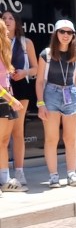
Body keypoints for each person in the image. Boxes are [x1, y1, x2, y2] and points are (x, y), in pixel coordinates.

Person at [36, 19, 76, 187]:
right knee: (51, 138)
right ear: (56, 34)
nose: (65, 35)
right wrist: (41, 104)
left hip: (71, 94)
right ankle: (53, 175)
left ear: (73, 36)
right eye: (62, 31)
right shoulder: (46, 54)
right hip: (51, 94)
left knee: (70, 138)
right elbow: (39, 81)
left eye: (69, 32)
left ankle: (72, 173)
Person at [1, 10, 38, 190]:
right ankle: (4, 173)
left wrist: (24, 72)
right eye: (4, 18)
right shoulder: (1, 42)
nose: (7, 21)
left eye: (11, 18)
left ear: (16, 22)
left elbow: (36, 68)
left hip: (21, 87)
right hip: (5, 88)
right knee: (3, 135)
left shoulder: (25, 42)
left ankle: (19, 170)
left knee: (17, 130)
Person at [0, 19, 25, 193]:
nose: (7, 32)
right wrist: (11, 99)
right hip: (4, 100)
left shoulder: (4, 53)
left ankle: (5, 179)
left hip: (7, 100)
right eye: (4, 30)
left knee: (4, 141)